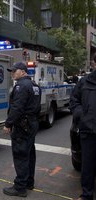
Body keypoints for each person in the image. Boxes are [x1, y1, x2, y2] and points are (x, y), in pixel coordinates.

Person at [3, 62, 41, 197]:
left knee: (20, 155)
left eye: (14, 71)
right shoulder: (35, 86)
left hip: (22, 126)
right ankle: (29, 182)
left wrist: (8, 124)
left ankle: (20, 187)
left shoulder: (21, 86)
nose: (12, 73)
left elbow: (17, 108)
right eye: (11, 71)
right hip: (32, 123)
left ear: (23, 72)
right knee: (29, 153)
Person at [70, 53, 96, 200]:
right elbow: (74, 100)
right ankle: (87, 195)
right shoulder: (84, 82)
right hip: (88, 132)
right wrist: (82, 116)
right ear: (94, 64)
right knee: (87, 166)